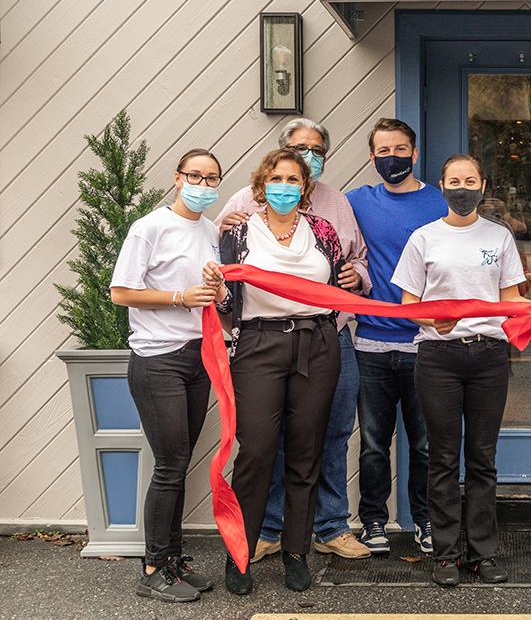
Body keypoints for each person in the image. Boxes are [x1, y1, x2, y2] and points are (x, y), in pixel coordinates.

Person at [392, 153, 531, 587]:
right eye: (454, 180)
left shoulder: (500, 237)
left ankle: (483, 553)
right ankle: (447, 555)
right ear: (443, 186)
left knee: (483, 459)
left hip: (488, 356)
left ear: (483, 187)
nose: (462, 188)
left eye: (470, 180)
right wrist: (435, 321)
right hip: (438, 358)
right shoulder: (423, 238)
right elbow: (409, 307)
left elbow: (510, 300)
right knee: (443, 458)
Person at [215, 119, 371, 563]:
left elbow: (357, 260)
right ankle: (266, 529)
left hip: (328, 336)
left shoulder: (335, 208)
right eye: (300, 148)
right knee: (266, 442)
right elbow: (221, 264)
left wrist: (356, 277)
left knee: (330, 435)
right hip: (261, 341)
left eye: (316, 149)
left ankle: (329, 527)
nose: (307, 156)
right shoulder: (244, 205)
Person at [110, 148, 225, 603]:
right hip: (158, 358)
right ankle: (153, 566)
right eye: (194, 175)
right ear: (177, 178)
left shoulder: (212, 230)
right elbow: (121, 293)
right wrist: (180, 297)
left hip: (199, 358)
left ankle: (173, 559)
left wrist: (216, 291)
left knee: (180, 464)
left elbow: (214, 292)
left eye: (211, 178)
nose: (202, 184)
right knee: (170, 465)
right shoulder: (150, 227)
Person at [345, 118, 448, 555]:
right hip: (370, 342)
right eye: (383, 151)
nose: (393, 158)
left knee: (425, 443)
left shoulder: (441, 203)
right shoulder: (354, 203)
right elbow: (296, 216)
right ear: (371, 157)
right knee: (372, 444)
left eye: (401, 150)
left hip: (425, 343)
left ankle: (425, 521)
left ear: (415, 153)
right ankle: (373, 522)